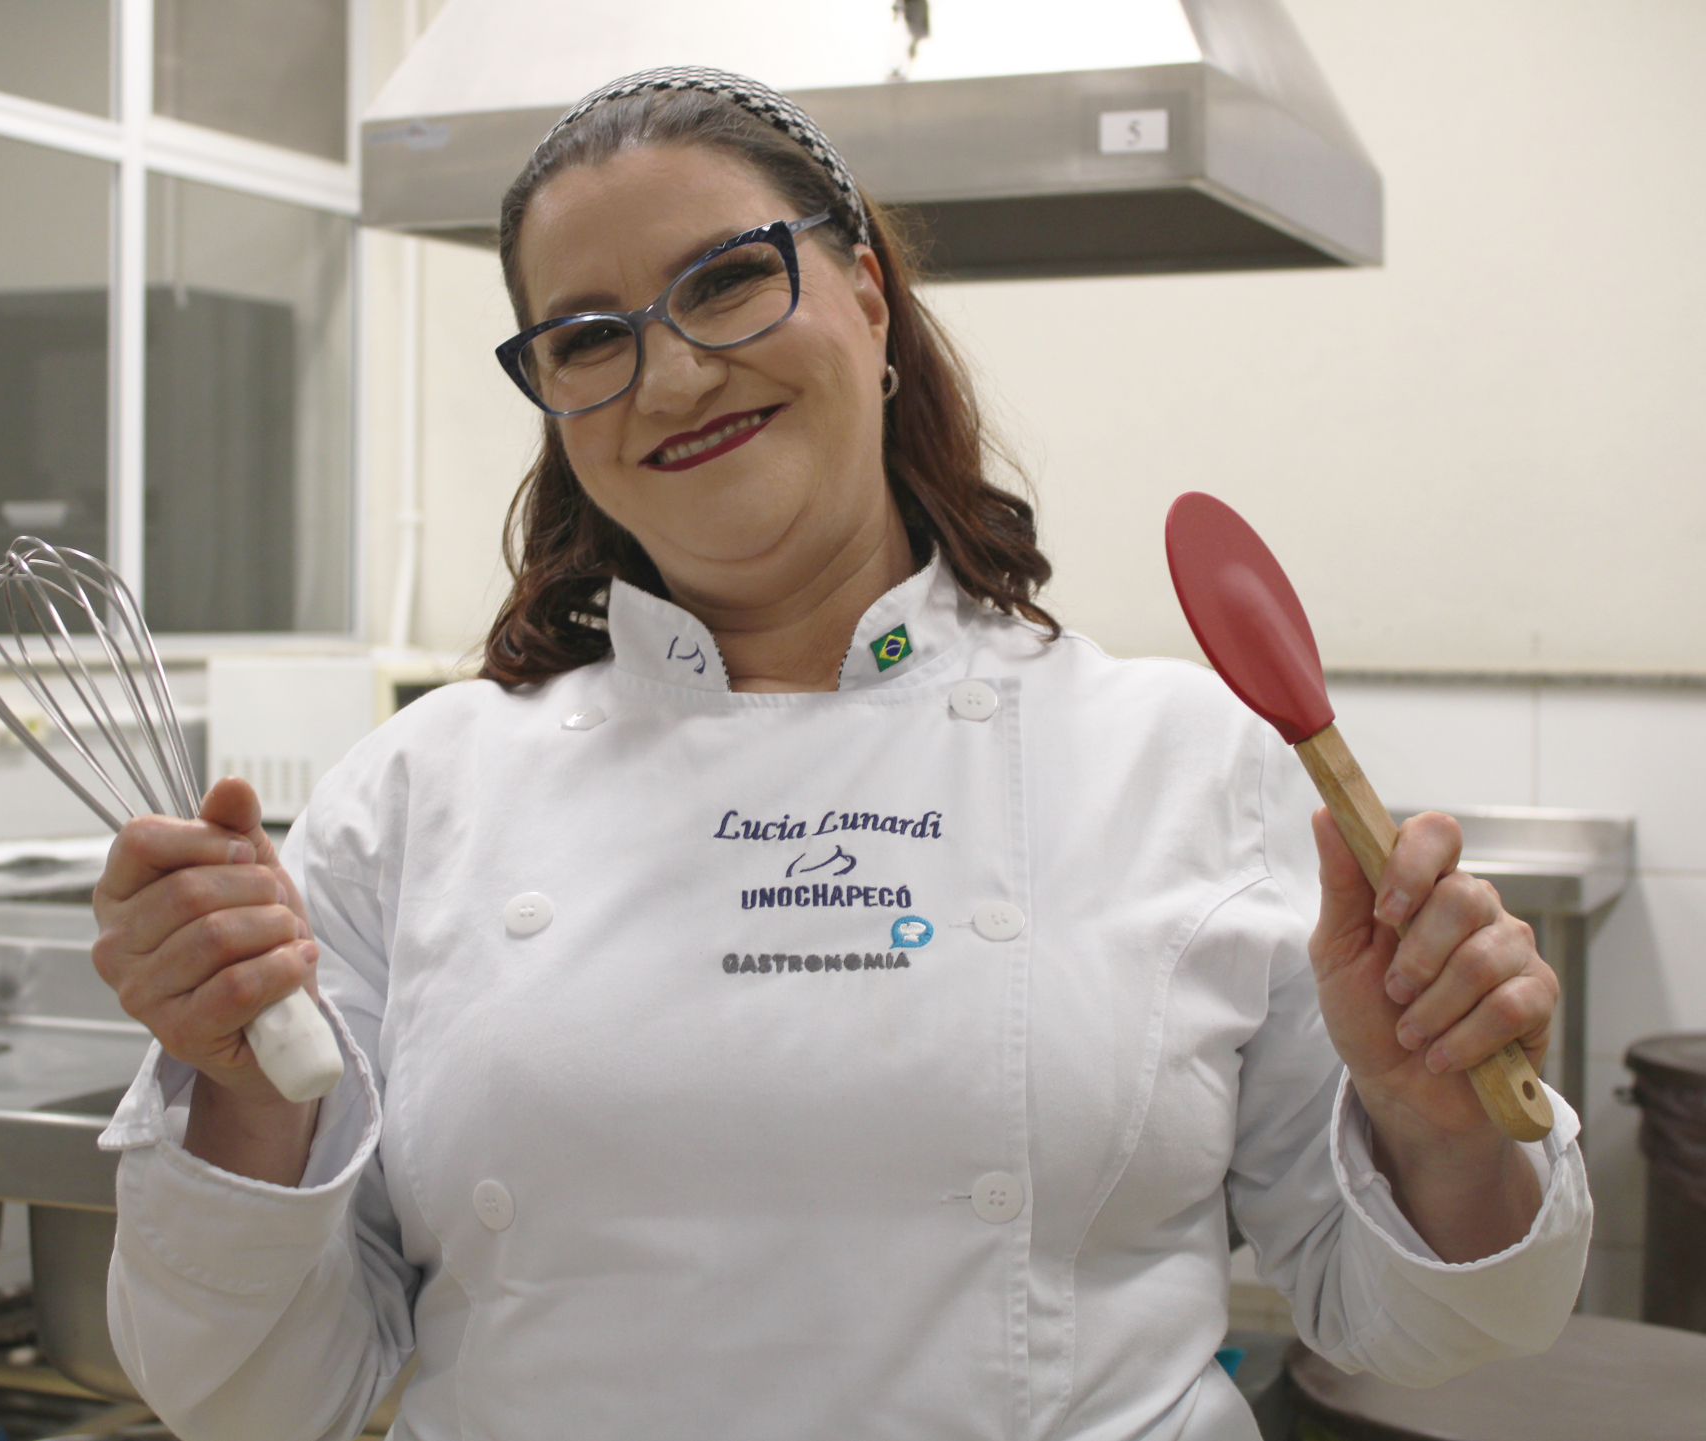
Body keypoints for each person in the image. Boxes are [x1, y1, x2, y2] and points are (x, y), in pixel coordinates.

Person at [92, 67, 1591, 1441]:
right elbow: (256, 1393)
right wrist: (245, 1092)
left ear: (869, 298)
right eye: (590, 339)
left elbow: (1440, 1322)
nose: (671, 379)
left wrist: (1437, 1130)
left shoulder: (1181, 758)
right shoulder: (420, 794)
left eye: (728, 281)